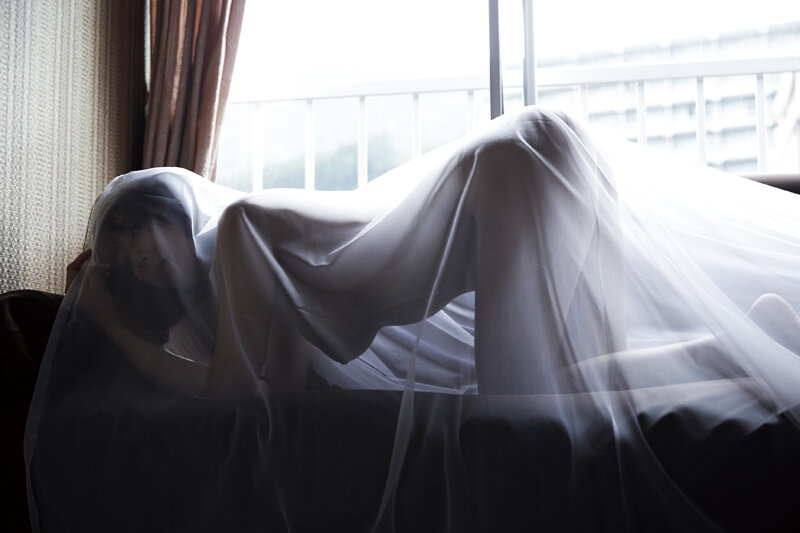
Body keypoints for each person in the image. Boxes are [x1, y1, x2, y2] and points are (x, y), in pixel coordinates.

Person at [62, 106, 800, 403]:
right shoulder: (253, 263)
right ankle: (750, 337)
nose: (146, 260)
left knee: (517, 413)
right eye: (135, 265)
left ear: (174, 214)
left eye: (142, 238)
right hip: (533, 156)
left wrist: (115, 330)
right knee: (586, 382)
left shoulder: (237, 236)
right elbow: (276, 391)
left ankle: (746, 346)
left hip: (511, 176)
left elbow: (229, 396)